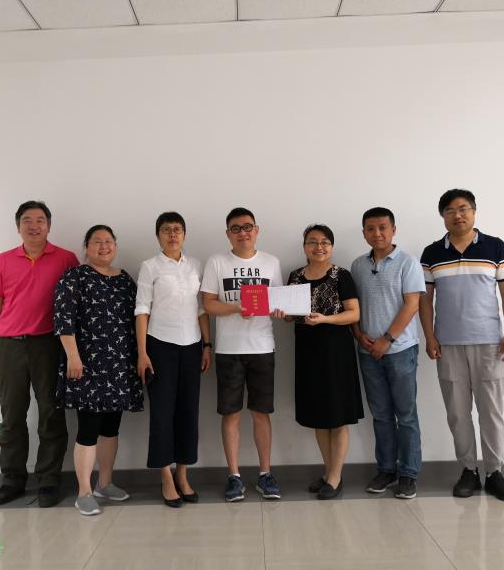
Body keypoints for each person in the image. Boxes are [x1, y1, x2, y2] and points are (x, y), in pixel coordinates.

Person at [419, 189, 504, 502]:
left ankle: (495, 472)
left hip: (489, 343)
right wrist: (430, 336)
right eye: (450, 210)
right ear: (443, 216)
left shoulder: (495, 246)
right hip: (447, 344)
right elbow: (425, 300)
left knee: (491, 412)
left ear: (474, 212)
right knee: (458, 413)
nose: (457, 215)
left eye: (463, 208)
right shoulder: (432, 253)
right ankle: (468, 471)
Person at [0, 201, 79, 508]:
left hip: (49, 344)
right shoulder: (3, 260)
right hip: (9, 344)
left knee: (51, 413)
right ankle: (12, 480)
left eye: (40, 220)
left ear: (49, 226)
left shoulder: (66, 259)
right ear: (18, 226)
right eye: (27, 220)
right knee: (12, 414)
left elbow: (76, 305)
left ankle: (49, 481)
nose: (34, 225)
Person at [53, 224, 143, 516]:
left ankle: (105, 483)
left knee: (111, 428)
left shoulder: (125, 280)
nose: (103, 246)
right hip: (87, 366)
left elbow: (138, 319)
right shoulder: (75, 277)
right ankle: (84, 492)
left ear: (115, 245)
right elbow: (63, 320)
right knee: (88, 429)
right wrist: (73, 356)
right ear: (86, 247)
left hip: (120, 366)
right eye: (96, 242)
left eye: (108, 241)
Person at [201, 207, 284, 502]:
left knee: (262, 412)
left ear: (256, 230)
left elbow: (278, 301)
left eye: (247, 227)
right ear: (228, 234)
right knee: (231, 413)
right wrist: (237, 308)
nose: (242, 232)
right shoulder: (216, 262)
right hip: (229, 349)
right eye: (235, 228)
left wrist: (280, 311)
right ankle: (234, 476)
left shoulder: (271, 262)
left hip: (262, 347)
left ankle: (265, 474)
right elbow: (209, 304)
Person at [135, 212, 211, 508]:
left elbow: (201, 309)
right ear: (158, 236)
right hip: (159, 346)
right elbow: (142, 309)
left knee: (188, 411)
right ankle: (165, 477)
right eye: (166, 230)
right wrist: (142, 353)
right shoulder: (150, 266)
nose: (172, 234)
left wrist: (206, 345)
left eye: (178, 229)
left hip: (192, 345)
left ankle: (183, 474)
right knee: (162, 412)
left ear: (184, 234)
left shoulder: (195, 265)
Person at [351, 208, 426, 499]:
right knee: (381, 415)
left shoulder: (408, 262)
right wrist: (358, 334)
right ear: (364, 233)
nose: (377, 233)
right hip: (367, 351)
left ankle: (408, 473)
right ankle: (386, 469)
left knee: (405, 415)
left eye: (383, 227)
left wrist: (387, 339)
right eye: (370, 229)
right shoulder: (358, 265)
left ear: (393, 230)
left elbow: (412, 305)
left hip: (400, 350)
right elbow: (353, 305)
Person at [284, 224, 363, 500]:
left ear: (331, 246)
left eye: (325, 242)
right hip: (307, 352)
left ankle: (336, 476)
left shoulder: (342, 275)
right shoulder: (295, 276)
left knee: (338, 416)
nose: (319, 247)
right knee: (319, 415)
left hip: (336, 351)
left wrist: (326, 319)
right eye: (313, 242)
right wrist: (282, 313)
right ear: (304, 246)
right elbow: (291, 314)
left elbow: (353, 314)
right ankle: (329, 472)